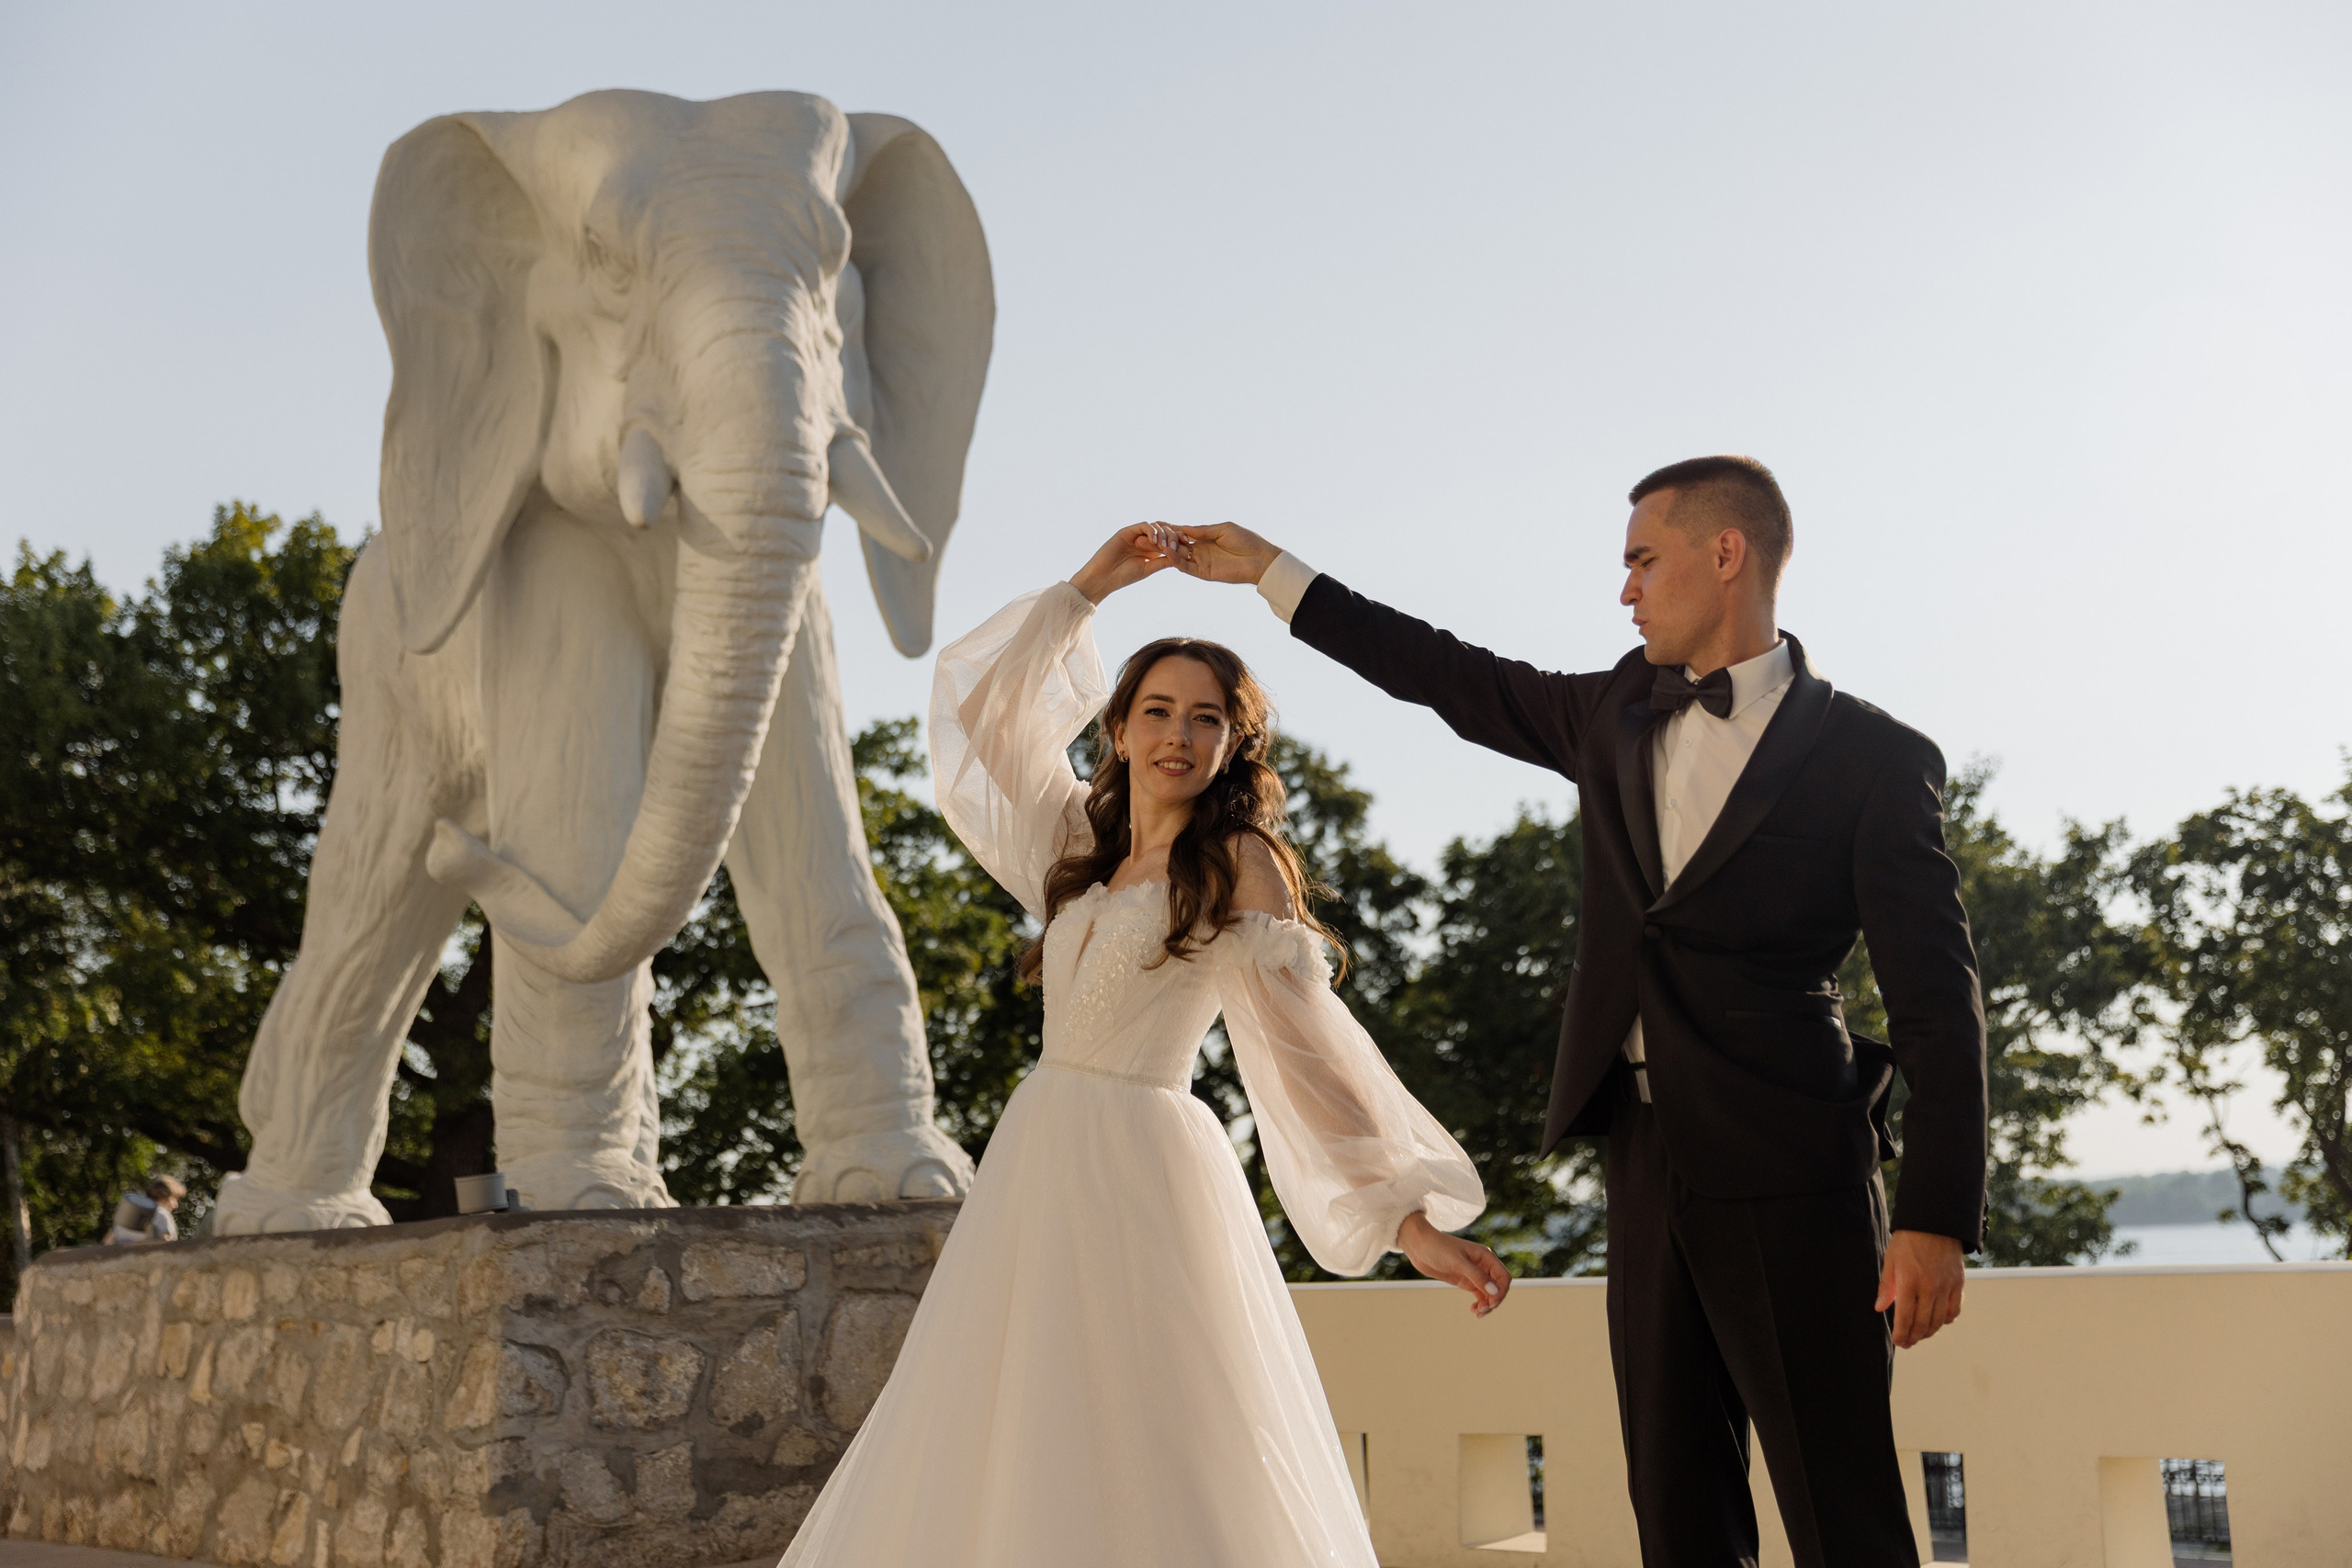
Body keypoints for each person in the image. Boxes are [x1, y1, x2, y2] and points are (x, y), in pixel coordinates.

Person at [1172, 456, 1988, 1568]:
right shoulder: (1613, 711)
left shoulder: (1874, 761)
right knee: (1676, 1510)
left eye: (1642, 562)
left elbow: (1939, 1002)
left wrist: (1936, 1215)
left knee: (1840, 1509)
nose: (1627, 592)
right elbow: (1447, 675)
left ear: (1725, 553)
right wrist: (1276, 575)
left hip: (1796, 1167)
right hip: (1645, 1156)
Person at [779, 524, 1511, 1567]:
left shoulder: (1239, 862)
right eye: (1156, 712)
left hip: (1145, 1162)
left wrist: (1405, 1220)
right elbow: (978, 714)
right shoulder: (1074, 843)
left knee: (1156, 1422)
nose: (1179, 734)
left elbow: (1310, 1054)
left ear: (1231, 746)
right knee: (1014, 1414)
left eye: (1205, 719)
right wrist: (1089, 589)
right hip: (1038, 1158)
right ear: (1116, 729)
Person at [105, 1175, 186, 1245]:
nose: (176, 1205)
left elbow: (107, 1241)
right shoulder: (162, 1215)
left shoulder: (129, 1212)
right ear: (165, 1196)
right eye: (174, 1198)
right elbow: (170, 1246)